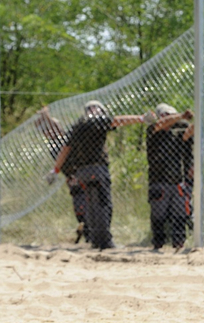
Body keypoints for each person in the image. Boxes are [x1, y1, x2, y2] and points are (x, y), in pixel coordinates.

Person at [52, 101, 150, 250]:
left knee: (91, 205)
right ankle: (105, 242)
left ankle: (94, 240)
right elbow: (118, 120)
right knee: (104, 205)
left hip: (82, 172)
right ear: (96, 110)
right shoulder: (96, 120)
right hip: (97, 169)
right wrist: (141, 118)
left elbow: (65, 149)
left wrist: (55, 170)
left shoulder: (77, 126)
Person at [37, 107, 90, 243]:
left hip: (81, 174)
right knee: (79, 203)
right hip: (72, 177)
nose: (52, 131)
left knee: (87, 201)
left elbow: (59, 129)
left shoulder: (66, 139)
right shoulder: (56, 145)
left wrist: (48, 118)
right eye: (47, 131)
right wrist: (45, 119)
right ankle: (84, 228)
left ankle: (87, 229)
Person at [146, 104, 194, 252]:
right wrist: (180, 115)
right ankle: (158, 244)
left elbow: (187, 134)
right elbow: (159, 124)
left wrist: (197, 121)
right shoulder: (153, 131)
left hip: (176, 180)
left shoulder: (177, 132)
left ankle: (179, 244)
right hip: (158, 181)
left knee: (179, 214)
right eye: (167, 115)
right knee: (158, 216)